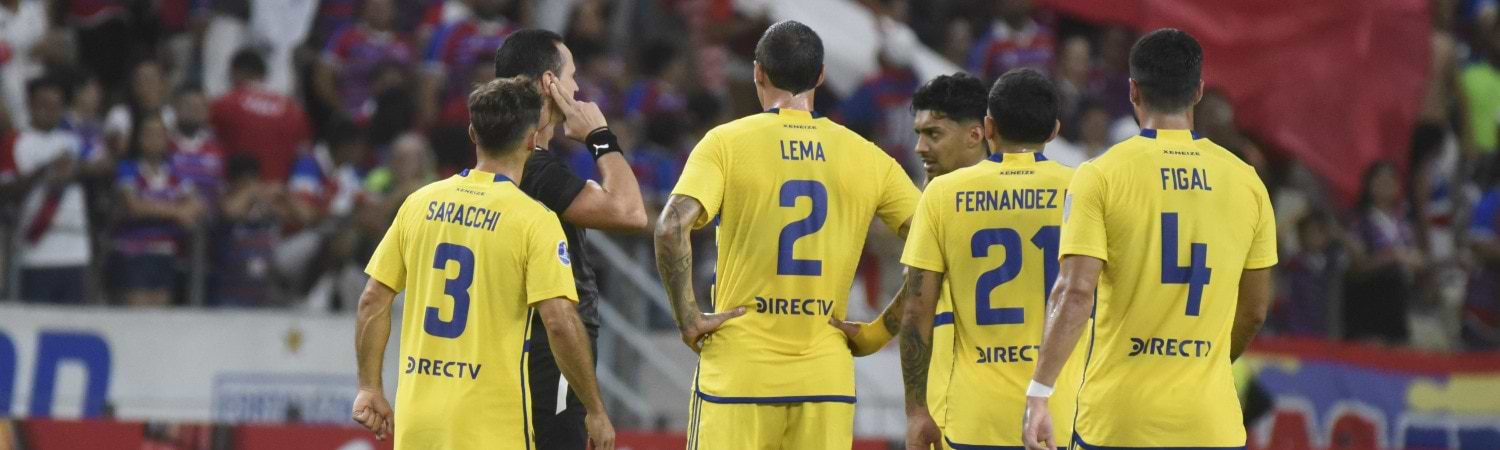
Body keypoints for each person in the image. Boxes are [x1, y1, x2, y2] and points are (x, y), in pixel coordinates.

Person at [654, 21, 919, 449]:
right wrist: (878, 332)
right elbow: (937, 247)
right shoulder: (869, 157)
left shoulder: (726, 142)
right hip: (824, 377)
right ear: (820, 76)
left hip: (741, 373)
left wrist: (689, 319)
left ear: (758, 72)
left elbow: (670, 227)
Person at [1022, 29, 1277, 450]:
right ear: (1197, 92)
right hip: (1209, 422)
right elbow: (1253, 311)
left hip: (1119, 420)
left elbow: (1075, 291)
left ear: (1133, 90)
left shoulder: (1101, 174)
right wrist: (1203, 367)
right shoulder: (1248, 183)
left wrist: (1041, 392)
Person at [351, 77, 615, 449]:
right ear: (530, 139)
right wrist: (595, 409)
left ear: (473, 133)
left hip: (418, 425)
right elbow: (558, 321)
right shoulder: (534, 219)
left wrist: (369, 387)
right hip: (490, 427)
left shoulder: (419, 203)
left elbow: (372, 300)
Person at [893, 68, 1083, 450]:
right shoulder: (1085, 187)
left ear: (988, 127)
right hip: (1064, 412)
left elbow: (915, 310)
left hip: (976, 415)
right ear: (1054, 131)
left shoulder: (943, 194)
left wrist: (916, 411)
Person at [492, 28, 647, 450]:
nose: (578, 88)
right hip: (549, 355)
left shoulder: (504, 165)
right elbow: (630, 213)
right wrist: (601, 138)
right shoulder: (535, 170)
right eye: (572, 75)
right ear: (549, 83)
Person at [830, 72, 991, 443]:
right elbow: (919, 291)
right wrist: (874, 335)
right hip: (1007, 396)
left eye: (933, 134)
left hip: (970, 401)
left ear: (975, 134)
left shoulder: (945, 200)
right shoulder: (1029, 192)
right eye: (918, 133)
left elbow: (919, 302)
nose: (919, 147)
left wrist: (915, 409)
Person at [12, 77, 95, 304]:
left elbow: (103, 166)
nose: (50, 111)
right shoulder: (18, 141)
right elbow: (11, 189)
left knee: (73, 325)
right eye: (44, 105)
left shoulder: (73, 140)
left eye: (56, 106)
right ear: (30, 105)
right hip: (36, 251)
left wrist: (76, 169)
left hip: (76, 252)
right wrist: (48, 170)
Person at [112, 115, 204, 306]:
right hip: (134, 254)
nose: (154, 139)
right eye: (148, 134)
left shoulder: (175, 172)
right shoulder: (128, 168)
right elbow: (134, 206)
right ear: (139, 139)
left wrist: (153, 208)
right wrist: (176, 212)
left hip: (166, 254)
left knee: (160, 320)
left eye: (159, 134)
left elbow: (197, 204)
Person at [211, 49, 313, 182]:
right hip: (279, 193)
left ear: (236, 72)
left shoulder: (226, 103)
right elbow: (304, 153)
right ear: (264, 74)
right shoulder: (293, 109)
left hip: (241, 192)